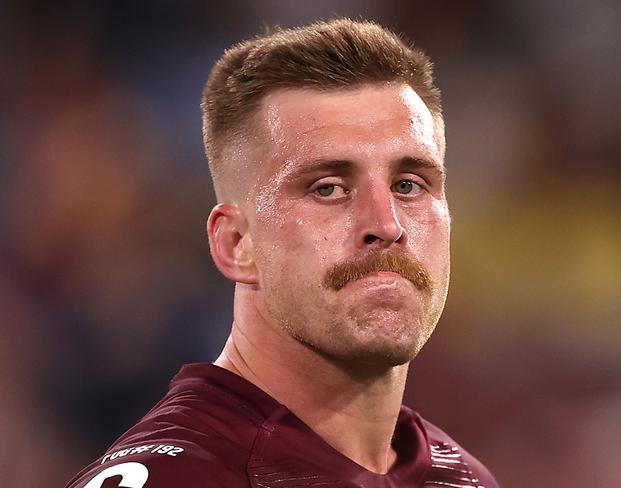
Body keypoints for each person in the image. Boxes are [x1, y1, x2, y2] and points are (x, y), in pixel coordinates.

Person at [66, 18, 499, 488]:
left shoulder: (460, 477)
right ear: (235, 244)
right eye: (329, 188)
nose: (387, 225)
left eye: (409, 185)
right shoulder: (175, 477)